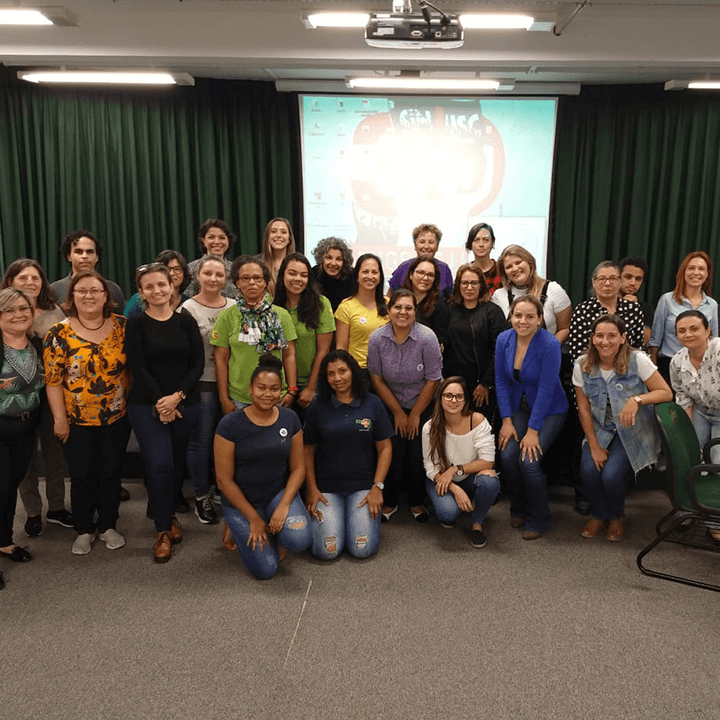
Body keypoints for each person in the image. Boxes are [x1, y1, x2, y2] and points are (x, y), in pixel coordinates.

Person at [44, 270, 131, 556]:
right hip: (76, 420)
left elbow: (130, 371)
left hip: (116, 417)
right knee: (82, 475)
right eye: (81, 291)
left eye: (95, 290)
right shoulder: (58, 333)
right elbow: (53, 382)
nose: (89, 296)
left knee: (110, 473)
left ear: (106, 296)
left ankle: (107, 524)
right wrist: (59, 419)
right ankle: (83, 528)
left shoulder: (123, 327)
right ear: (72, 297)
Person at [125, 263, 204, 561]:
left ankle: (169, 515)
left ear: (172, 287)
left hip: (186, 403)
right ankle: (161, 529)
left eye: (162, 284)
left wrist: (177, 397)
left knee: (175, 465)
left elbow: (197, 363)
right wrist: (163, 402)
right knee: (159, 465)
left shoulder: (186, 321)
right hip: (148, 406)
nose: (157, 290)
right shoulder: (135, 324)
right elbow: (138, 366)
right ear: (141, 292)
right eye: (149, 286)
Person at [574, 314, 672, 541]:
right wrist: (593, 444)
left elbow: (666, 393)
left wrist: (636, 400)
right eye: (599, 336)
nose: (605, 341)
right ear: (592, 338)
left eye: (611, 336)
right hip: (601, 427)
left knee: (611, 475)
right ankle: (599, 514)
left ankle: (617, 516)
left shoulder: (638, 359)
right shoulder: (583, 364)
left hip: (632, 428)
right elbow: (584, 409)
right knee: (588, 470)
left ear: (622, 338)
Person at [214, 353, 311, 580]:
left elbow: (298, 468)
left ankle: (273, 526)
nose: (268, 394)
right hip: (242, 502)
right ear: (250, 389)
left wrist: (285, 505)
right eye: (261, 388)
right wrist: (253, 519)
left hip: (276, 494)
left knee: (300, 540)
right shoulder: (230, 425)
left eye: (275, 389)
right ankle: (236, 526)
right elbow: (223, 480)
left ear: (282, 390)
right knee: (266, 569)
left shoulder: (290, 418)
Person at [1, 259, 72, 537]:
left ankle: (56, 507)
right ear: (10, 283)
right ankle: (32, 511)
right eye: (23, 278)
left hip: (46, 393)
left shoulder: (54, 311)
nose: (30, 283)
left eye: (35, 278)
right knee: (23, 463)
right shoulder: (7, 313)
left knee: (55, 455)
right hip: (12, 402)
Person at [304, 350, 393, 560]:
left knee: (362, 549)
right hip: (326, 489)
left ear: (353, 371)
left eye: (342, 371)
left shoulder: (373, 403)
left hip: (363, 487)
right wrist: (312, 489)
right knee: (327, 551)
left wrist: (377, 487)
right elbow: (306, 451)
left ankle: (349, 523)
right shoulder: (317, 407)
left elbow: (385, 448)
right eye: (331, 374)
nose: (338, 378)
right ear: (325, 378)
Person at [495, 296, 569, 538]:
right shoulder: (503, 339)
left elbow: (547, 389)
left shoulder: (549, 344)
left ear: (539, 320)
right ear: (511, 317)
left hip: (549, 409)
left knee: (529, 461)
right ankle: (518, 507)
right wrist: (506, 420)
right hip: (517, 407)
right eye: (518, 315)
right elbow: (501, 381)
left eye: (529, 316)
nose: (522, 321)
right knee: (507, 456)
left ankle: (539, 517)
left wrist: (533, 431)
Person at [367, 289, 442, 522]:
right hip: (389, 403)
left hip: (423, 402)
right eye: (398, 307)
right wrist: (399, 413)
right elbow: (376, 378)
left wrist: (415, 414)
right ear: (388, 311)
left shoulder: (427, 337)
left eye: (409, 308)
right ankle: (390, 502)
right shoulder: (377, 338)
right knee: (392, 449)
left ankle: (417, 502)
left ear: (415, 312)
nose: (403, 312)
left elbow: (433, 379)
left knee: (417, 451)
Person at [180, 256, 235, 524]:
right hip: (202, 383)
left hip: (234, 384)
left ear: (226, 279)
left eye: (219, 274)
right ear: (198, 276)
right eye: (208, 273)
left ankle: (223, 491)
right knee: (201, 441)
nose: (214, 279)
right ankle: (201, 495)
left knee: (228, 442)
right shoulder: (187, 309)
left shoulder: (236, 307)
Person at [211, 255, 298, 412]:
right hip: (239, 398)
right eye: (245, 278)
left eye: (257, 278)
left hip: (276, 396)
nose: (252, 282)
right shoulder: (226, 317)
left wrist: (292, 390)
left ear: (265, 282)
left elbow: (289, 354)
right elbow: (221, 360)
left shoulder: (282, 315)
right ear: (237, 283)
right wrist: (224, 398)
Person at [422, 376, 500, 547]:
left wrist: (454, 470)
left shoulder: (477, 421)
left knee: (490, 480)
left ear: (465, 400)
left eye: (459, 396)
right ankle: (454, 501)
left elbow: (488, 461)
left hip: (469, 476)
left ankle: (477, 523)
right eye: (448, 395)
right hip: (441, 479)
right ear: (440, 397)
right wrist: (453, 487)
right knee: (448, 515)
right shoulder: (430, 427)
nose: (453, 400)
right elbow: (430, 466)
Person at [0, 289, 44, 589]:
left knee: (10, 486)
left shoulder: (37, 343)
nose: (18, 314)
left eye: (23, 308)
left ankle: (3, 541)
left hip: (26, 429)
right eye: (9, 310)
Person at [274, 253, 335, 416]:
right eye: (292, 273)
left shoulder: (321, 304)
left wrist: (310, 388)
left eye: (303, 275)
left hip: (312, 384)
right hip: (279, 385)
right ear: (282, 275)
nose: (298, 279)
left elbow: (324, 350)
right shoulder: (273, 306)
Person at [443, 263, 506, 413]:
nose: (469, 287)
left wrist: (486, 383)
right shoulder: (448, 309)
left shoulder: (493, 312)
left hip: (482, 386)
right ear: (458, 285)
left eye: (474, 283)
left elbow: (500, 350)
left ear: (481, 285)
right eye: (464, 283)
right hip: (452, 384)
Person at [649, 251, 718, 382]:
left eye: (701, 269)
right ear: (683, 272)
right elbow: (655, 341)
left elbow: (714, 342)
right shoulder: (666, 300)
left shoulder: (712, 305)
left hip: (701, 369)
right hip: (668, 367)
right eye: (691, 268)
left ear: (707, 274)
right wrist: (654, 371)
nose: (696, 273)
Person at [567, 261, 645, 363]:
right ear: (593, 283)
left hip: (626, 368)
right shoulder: (583, 310)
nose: (607, 283)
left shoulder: (633, 309)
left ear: (620, 282)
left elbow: (637, 347)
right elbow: (576, 352)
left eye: (613, 279)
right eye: (602, 279)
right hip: (591, 368)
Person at [492, 245, 572, 343]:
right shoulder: (498, 296)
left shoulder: (553, 290)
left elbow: (565, 329)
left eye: (518, 262)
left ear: (529, 262)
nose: (515, 268)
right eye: (509, 267)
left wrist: (548, 350)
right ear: (504, 273)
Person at [670, 310, 720, 465]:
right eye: (682, 331)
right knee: (691, 456)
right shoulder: (677, 362)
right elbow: (684, 398)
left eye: (694, 329)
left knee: (717, 461)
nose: (688, 334)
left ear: (707, 331)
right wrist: (689, 434)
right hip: (701, 411)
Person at [335, 253, 389, 370]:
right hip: (358, 371)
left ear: (380, 277)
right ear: (357, 277)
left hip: (387, 371)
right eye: (365, 272)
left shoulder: (390, 305)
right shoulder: (346, 307)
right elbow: (341, 349)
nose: (370, 276)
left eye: (374, 272)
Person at [49, 230, 125, 309]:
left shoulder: (112, 289)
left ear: (97, 257)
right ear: (69, 256)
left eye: (90, 252)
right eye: (78, 252)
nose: (84, 256)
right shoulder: (54, 290)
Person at [388, 224, 454, 298]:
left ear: (437, 246)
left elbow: (450, 299)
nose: (426, 246)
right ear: (415, 245)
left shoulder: (444, 269)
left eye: (431, 242)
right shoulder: (404, 267)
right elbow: (390, 297)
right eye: (422, 242)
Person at [401, 255, 449, 346]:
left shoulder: (439, 305)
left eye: (430, 275)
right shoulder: (399, 299)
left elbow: (440, 340)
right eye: (421, 272)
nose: (425, 278)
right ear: (411, 275)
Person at [124, 250, 190, 316]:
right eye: (167, 269)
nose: (172, 273)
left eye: (177, 269)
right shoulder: (137, 301)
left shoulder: (188, 303)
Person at [185, 218, 238, 298]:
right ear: (203, 240)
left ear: (228, 241)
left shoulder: (236, 269)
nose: (217, 242)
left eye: (222, 237)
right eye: (211, 237)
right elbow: (187, 301)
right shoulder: (191, 269)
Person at [311, 237, 355, 311]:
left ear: (344, 262)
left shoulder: (353, 277)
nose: (333, 263)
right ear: (321, 259)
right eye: (328, 258)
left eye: (339, 259)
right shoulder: (313, 275)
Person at [619, 256, 654, 346]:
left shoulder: (646, 308)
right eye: (628, 277)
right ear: (618, 277)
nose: (632, 283)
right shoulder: (606, 303)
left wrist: (632, 308)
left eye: (638, 279)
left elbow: (643, 340)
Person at [259, 217, 296, 298]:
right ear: (267, 237)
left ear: (289, 238)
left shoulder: (298, 263)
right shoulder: (257, 263)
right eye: (273, 231)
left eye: (283, 232)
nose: (278, 235)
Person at [466, 222, 502, 294]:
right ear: (470, 243)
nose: (481, 244)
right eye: (476, 240)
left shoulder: (501, 271)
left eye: (486, 240)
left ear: (492, 243)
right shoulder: (465, 272)